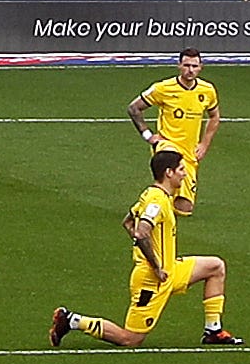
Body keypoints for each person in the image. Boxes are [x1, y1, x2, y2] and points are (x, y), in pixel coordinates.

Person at [50, 148, 232, 348]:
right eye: (181, 169)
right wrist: (155, 265)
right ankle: (72, 320)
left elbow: (128, 222)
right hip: (152, 280)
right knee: (130, 339)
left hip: (171, 269)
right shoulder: (157, 201)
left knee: (215, 267)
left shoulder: (152, 194)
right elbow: (140, 231)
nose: (185, 173)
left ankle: (213, 331)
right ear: (168, 172)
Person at [126, 50, 220, 213]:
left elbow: (214, 116)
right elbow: (134, 108)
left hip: (189, 152)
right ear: (179, 66)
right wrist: (148, 135)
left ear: (200, 68)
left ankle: (146, 207)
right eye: (186, 65)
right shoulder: (163, 88)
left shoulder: (207, 90)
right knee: (168, 179)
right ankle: (147, 208)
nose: (190, 70)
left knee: (184, 208)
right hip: (167, 146)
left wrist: (204, 144)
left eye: (194, 66)